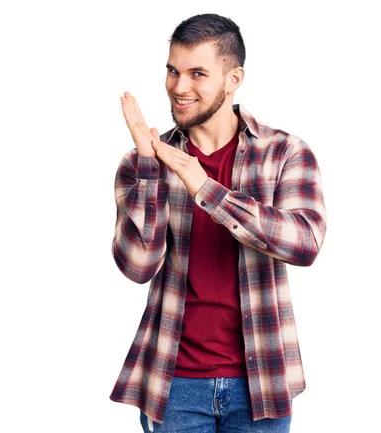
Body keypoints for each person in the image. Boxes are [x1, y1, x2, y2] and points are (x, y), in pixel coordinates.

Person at [109, 13, 327, 433]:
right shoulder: (143, 163)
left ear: (233, 79)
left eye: (197, 73)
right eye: (173, 71)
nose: (179, 87)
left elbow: (305, 242)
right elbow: (137, 266)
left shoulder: (284, 153)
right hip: (174, 387)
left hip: (261, 383)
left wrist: (205, 188)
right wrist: (150, 171)